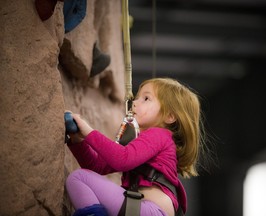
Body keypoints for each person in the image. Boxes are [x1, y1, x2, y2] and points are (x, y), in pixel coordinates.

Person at [65, 77, 204, 216]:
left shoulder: (159, 135)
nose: (135, 103)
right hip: (141, 208)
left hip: (151, 210)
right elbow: (97, 166)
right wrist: (78, 141)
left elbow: (121, 159)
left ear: (169, 116)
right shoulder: (143, 142)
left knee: (78, 178)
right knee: (83, 179)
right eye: (137, 97)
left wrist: (88, 132)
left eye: (146, 99)